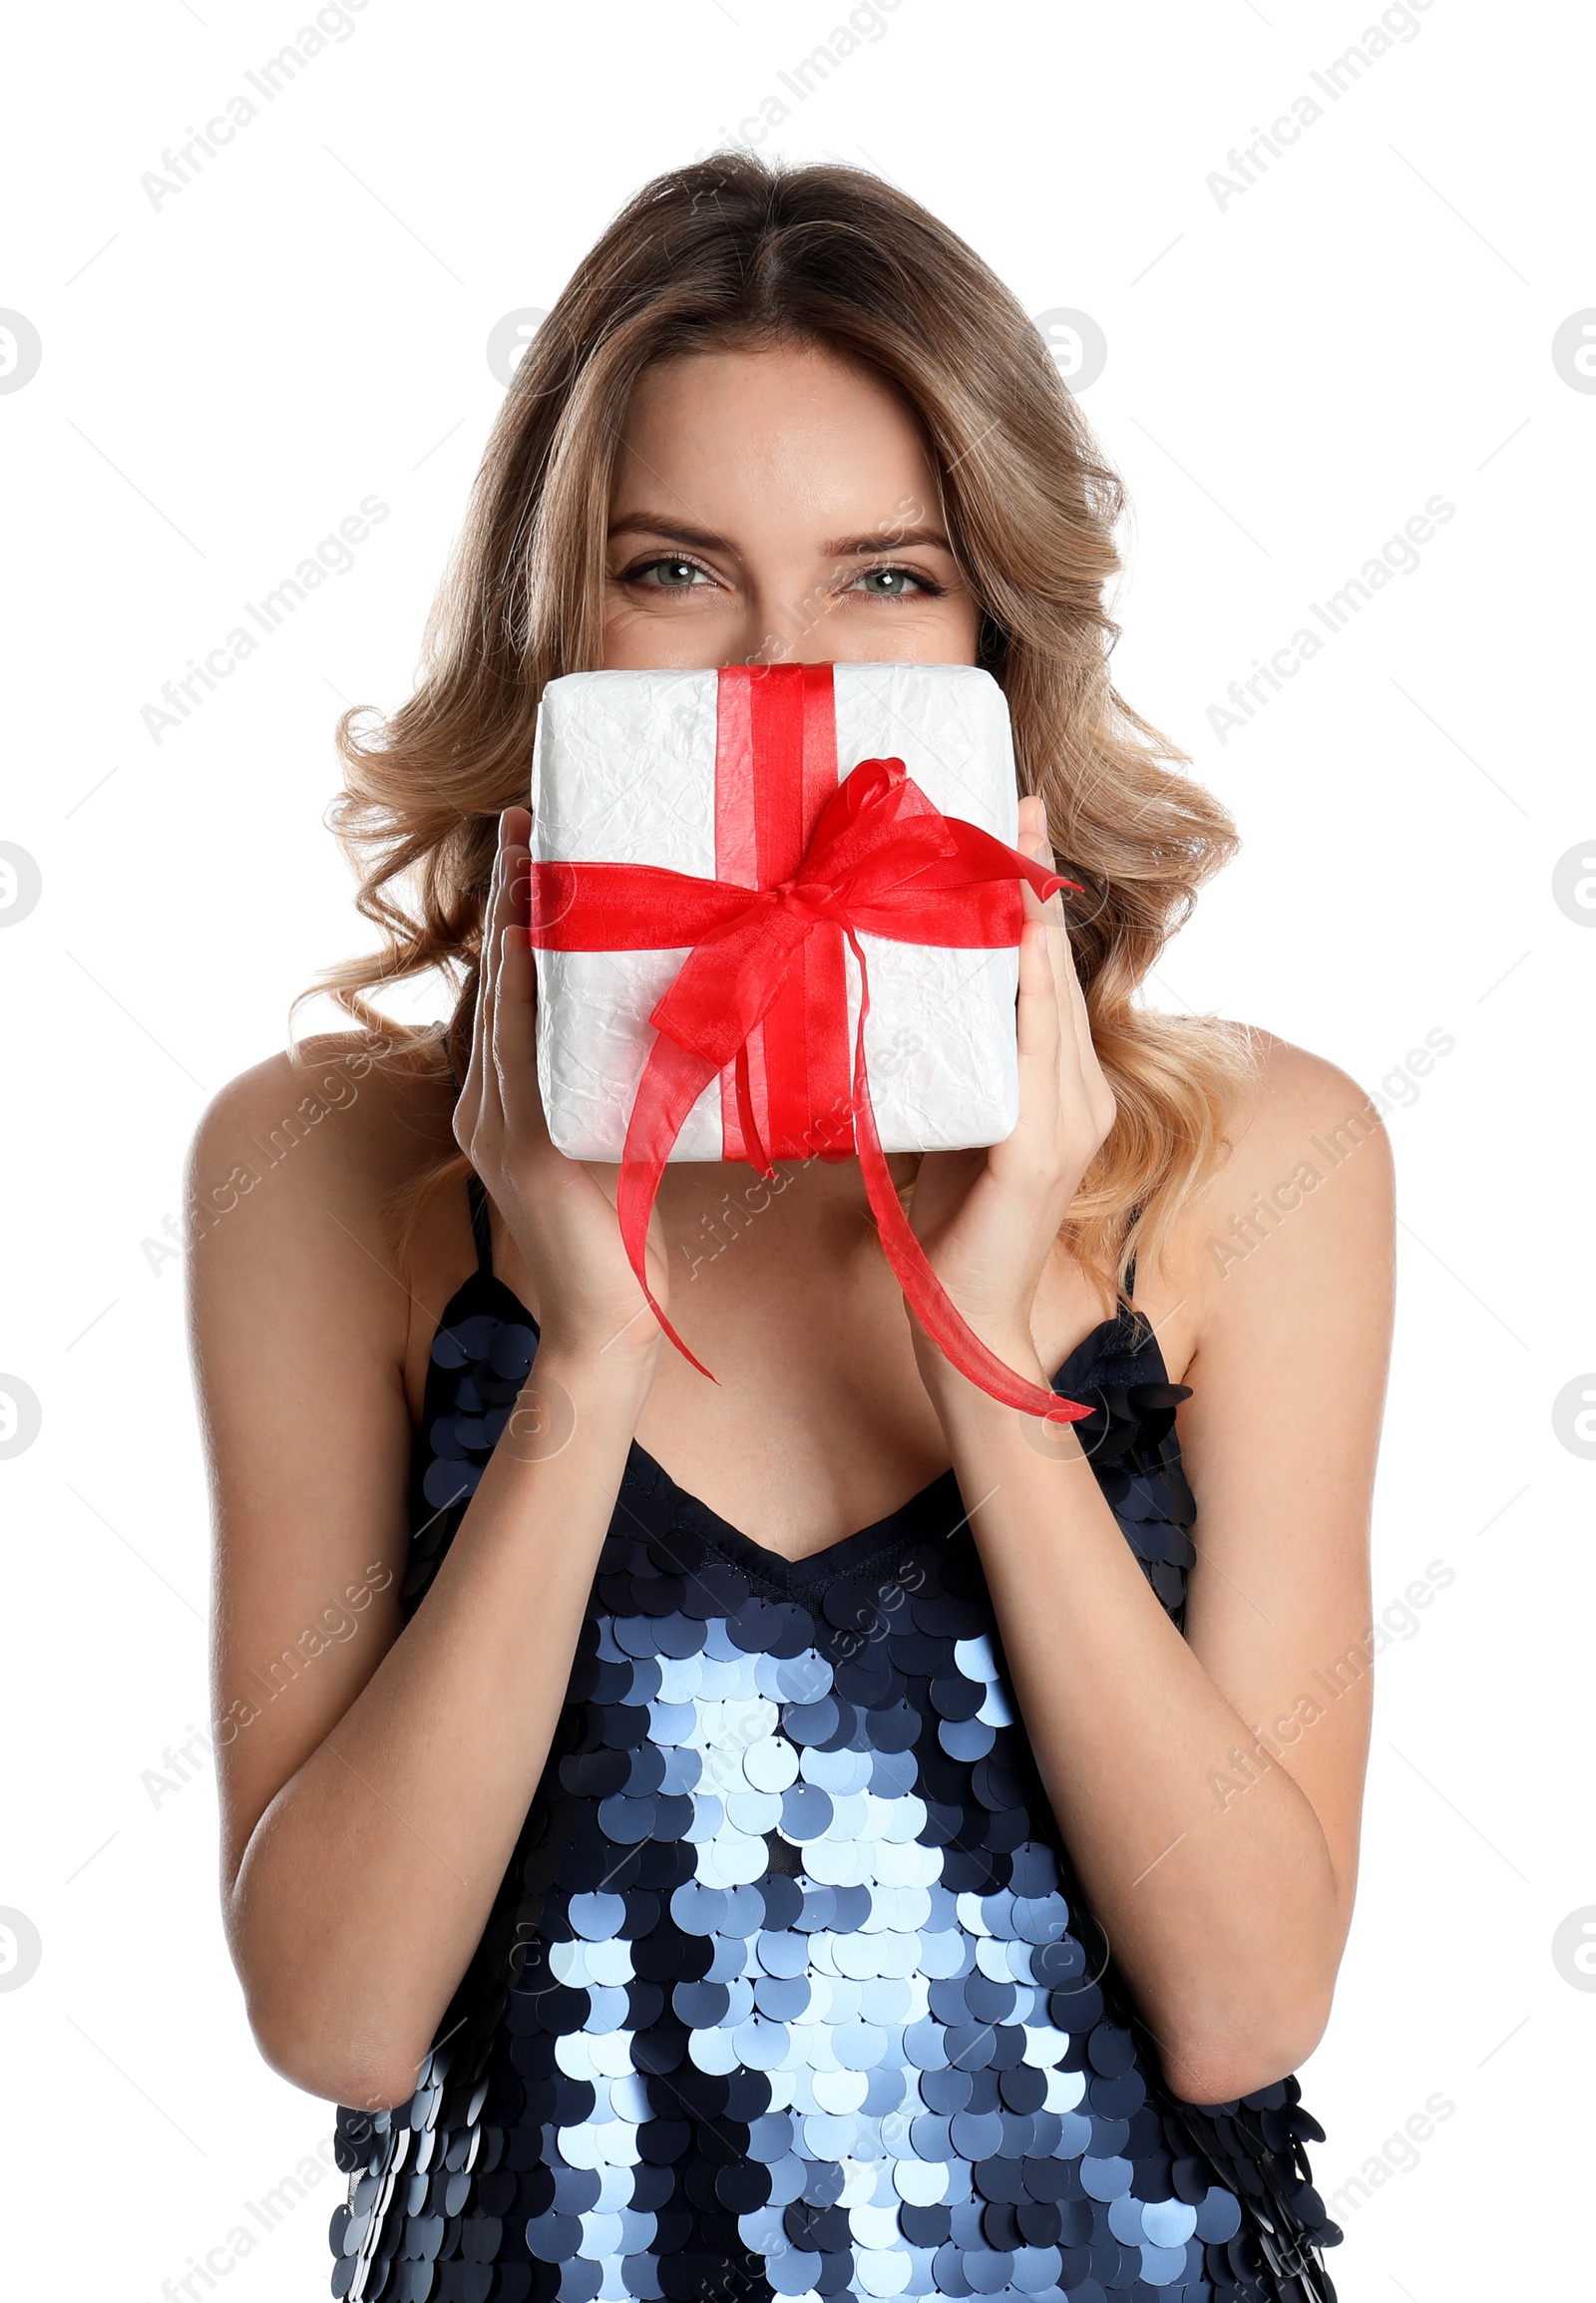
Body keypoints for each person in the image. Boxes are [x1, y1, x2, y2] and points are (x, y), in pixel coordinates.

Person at [190, 155, 1394, 2303]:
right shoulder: (325, 1172)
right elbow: (337, 2019)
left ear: (996, 631)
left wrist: (984, 1319)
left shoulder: (1248, 1161)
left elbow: (1243, 2006)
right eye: (674, 570)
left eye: (882, 578)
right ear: (555, 627)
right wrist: (579, 1356)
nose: (775, 673)